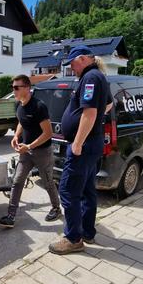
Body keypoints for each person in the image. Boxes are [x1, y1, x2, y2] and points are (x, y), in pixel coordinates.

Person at [49, 45, 108, 255]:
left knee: (68, 190)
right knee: (87, 189)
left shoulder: (90, 78)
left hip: (83, 145)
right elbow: (107, 105)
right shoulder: (97, 76)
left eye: (72, 64)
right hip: (92, 143)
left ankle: (73, 238)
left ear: (82, 59)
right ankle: (88, 232)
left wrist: (77, 142)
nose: (71, 68)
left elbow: (90, 113)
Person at [0, 74, 61, 228]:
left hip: (42, 153)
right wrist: (16, 136)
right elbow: (21, 121)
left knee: (48, 182)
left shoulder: (39, 106)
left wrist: (30, 146)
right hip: (25, 152)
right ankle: (11, 216)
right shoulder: (19, 105)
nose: (14, 90)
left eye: (16, 87)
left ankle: (56, 208)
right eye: (13, 87)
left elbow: (48, 133)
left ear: (27, 88)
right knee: (17, 181)